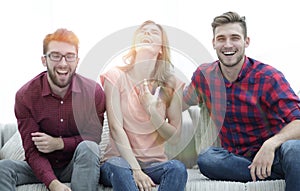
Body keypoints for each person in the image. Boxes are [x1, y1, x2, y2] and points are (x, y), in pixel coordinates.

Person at [183, 11, 300, 191]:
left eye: (235, 38)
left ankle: (279, 168)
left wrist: (271, 144)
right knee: (207, 158)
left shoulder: (268, 77)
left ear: (246, 41)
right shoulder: (205, 76)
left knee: (294, 150)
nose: (227, 44)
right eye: (221, 38)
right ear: (214, 43)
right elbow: (181, 101)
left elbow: (298, 121)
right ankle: (270, 172)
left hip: (274, 155)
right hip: (237, 160)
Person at [0, 28, 106, 191]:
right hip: (40, 168)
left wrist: (60, 143)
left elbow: (93, 137)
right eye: (55, 56)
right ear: (44, 60)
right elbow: (32, 151)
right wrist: (53, 183)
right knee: (3, 168)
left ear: (77, 60)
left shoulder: (93, 92)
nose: (63, 63)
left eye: (69, 56)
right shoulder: (25, 96)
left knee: (89, 147)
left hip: (76, 165)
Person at [99, 20, 187, 191]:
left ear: (161, 48)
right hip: (119, 161)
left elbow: (175, 138)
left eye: (153, 32)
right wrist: (136, 170)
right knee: (120, 168)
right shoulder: (116, 76)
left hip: (154, 164)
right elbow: (116, 129)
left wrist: (152, 111)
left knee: (177, 168)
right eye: (143, 31)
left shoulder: (172, 84)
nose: (147, 33)